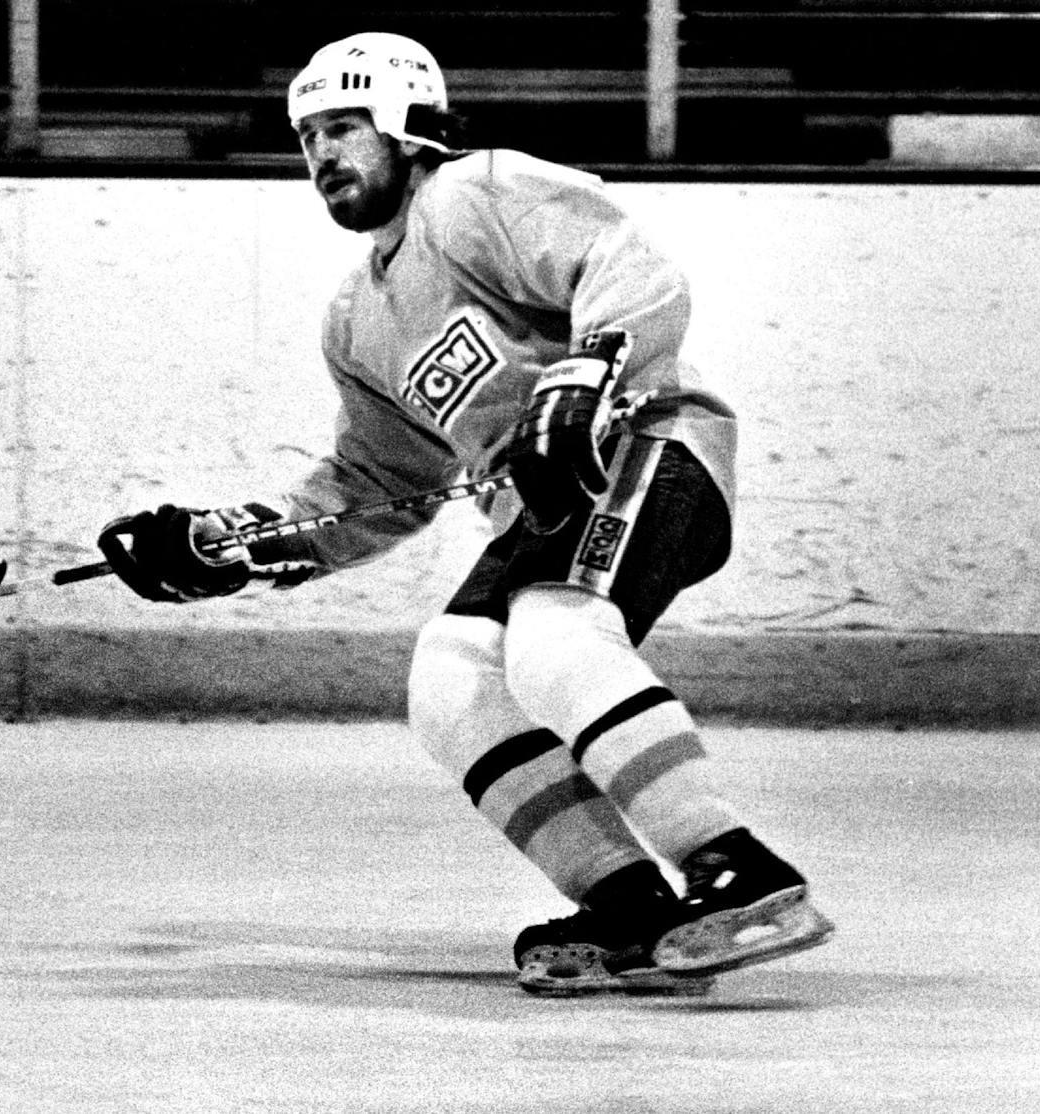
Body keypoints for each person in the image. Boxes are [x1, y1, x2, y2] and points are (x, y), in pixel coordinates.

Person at [98, 31, 834, 996]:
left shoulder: (473, 194)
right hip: (545, 508)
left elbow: (631, 265)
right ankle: (630, 906)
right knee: (449, 682)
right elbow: (372, 483)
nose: (322, 154)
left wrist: (584, 376)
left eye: (344, 126)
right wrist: (233, 544)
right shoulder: (357, 317)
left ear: (406, 125)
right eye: (307, 134)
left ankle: (741, 870)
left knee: (552, 639)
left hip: (652, 446)